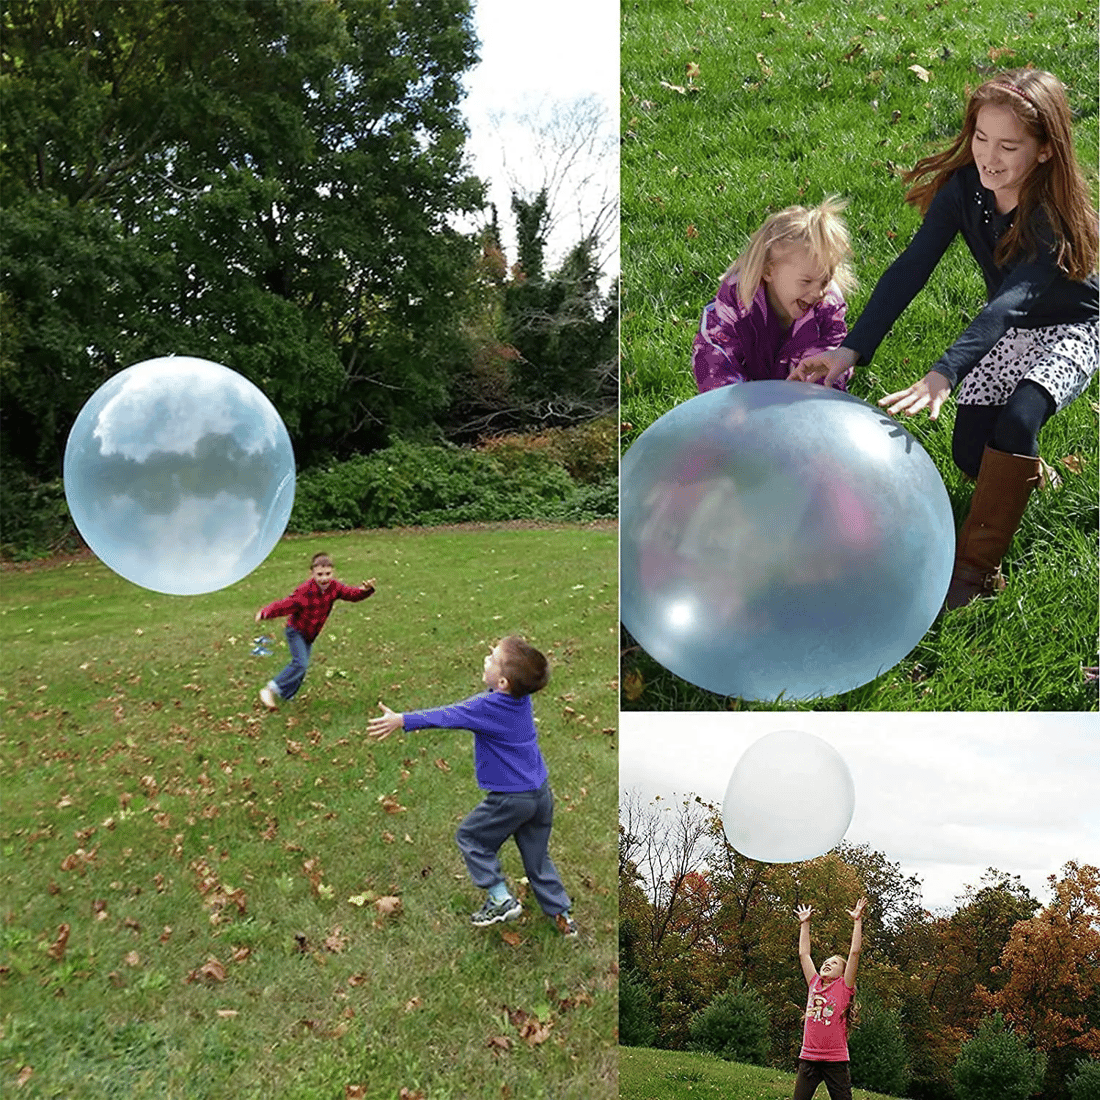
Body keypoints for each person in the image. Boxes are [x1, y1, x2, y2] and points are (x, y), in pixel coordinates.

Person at [792, 70, 1098, 609]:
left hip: (1075, 325)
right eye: (981, 137)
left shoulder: (1049, 215)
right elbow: (911, 267)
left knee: (1019, 418)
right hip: (1011, 325)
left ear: (1046, 151)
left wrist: (944, 371)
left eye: (1009, 146)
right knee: (969, 451)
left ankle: (977, 572)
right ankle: (1029, 473)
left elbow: (1013, 300)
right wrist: (850, 350)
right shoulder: (964, 191)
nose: (989, 157)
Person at [366, 636, 577, 937]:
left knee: (471, 837)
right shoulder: (522, 698)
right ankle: (562, 917)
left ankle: (501, 898)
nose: (485, 659)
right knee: (537, 857)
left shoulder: (487, 706)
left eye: (492, 658)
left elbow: (448, 715)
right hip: (541, 794)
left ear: (503, 681)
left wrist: (402, 720)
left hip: (512, 797)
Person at [691, 197, 857, 392]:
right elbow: (714, 355)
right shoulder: (738, 298)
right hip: (743, 397)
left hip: (795, 405)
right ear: (769, 271)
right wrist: (736, 406)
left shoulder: (827, 309)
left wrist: (804, 403)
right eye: (806, 281)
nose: (818, 292)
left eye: (825, 280)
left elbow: (824, 369)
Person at [255, 552, 375, 710]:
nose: (324, 578)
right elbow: (285, 604)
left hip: (310, 634)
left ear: (333, 572)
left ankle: (286, 695)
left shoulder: (335, 587)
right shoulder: (305, 591)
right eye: (319, 574)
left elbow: (351, 595)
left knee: (301, 668)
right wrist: (266, 612)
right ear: (311, 574)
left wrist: (366, 590)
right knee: (300, 664)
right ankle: (269, 690)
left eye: (328, 574)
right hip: (296, 631)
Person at [793, 896, 867, 1100]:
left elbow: (854, 952)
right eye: (825, 962)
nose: (827, 964)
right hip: (808, 1057)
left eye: (833, 963)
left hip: (835, 1061)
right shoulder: (814, 983)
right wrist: (805, 923)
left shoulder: (844, 987)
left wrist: (857, 921)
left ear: (842, 973)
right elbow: (804, 954)